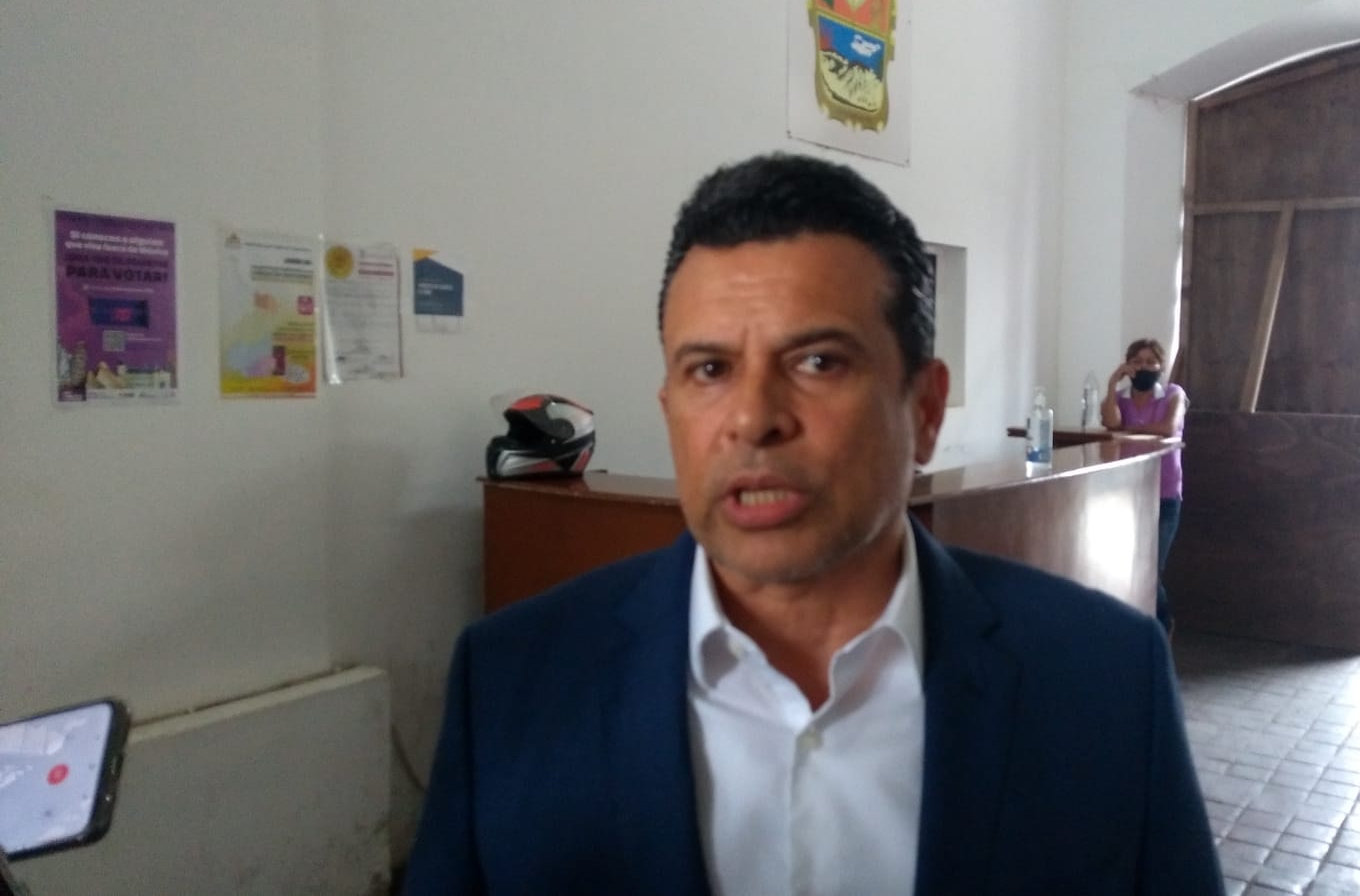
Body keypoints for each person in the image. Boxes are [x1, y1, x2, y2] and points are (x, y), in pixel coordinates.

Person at [404, 154, 1224, 895]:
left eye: (818, 362)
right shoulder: (512, 683)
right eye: (710, 369)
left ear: (925, 409)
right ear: (669, 408)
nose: (753, 418)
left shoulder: (1104, 682)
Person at [1101, 339, 1189, 635]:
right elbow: (1111, 422)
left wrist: (1129, 429)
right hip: (1128, 495)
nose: (1144, 367)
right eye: (1137, 361)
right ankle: (1139, 629)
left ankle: (1162, 625)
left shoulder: (1173, 394)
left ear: (1161, 366)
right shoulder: (1120, 398)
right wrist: (1112, 382)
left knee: (1151, 569)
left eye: (1151, 362)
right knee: (1127, 566)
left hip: (1164, 494)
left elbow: (1168, 427)